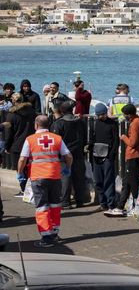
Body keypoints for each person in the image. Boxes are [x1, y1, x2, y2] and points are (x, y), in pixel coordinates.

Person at [17, 115, 73, 247]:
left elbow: (22, 159)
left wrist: (19, 173)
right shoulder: (57, 138)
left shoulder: (30, 139)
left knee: (42, 207)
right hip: (55, 176)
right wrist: (68, 168)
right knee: (55, 205)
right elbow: (68, 156)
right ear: (49, 125)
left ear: (36, 125)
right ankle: (54, 233)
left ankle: (46, 237)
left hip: (38, 177)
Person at [104, 104, 139, 217]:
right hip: (137, 155)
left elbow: (132, 143)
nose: (124, 117)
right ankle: (120, 206)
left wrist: (123, 137)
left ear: (129, 115)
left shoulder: (135, 124)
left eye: (125, 115)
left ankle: (136, 206)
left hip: (133, 155)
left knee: (132, 182)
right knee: (127, 182)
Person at [50, 100, 88, 208]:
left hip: (64, 155)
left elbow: (55, 141)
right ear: (72, 110)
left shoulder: (59, 123)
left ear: (62, 111)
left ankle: (65, 201)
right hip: (78, 153)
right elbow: (85, 138)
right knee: (79, 178)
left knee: (65, 178)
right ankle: (80, 201)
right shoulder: (80, 122)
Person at [3, 92, 37, 196]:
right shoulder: (32, 112)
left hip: (17, 145)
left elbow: (8, 133)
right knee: (30, 167)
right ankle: (32, 188)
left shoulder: (12, 115)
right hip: (32, 143)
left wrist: (7, 146)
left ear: (13, 101)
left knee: (20, 168)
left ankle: (24, 190)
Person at [87, 102, 118, 210]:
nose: (102, 116)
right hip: (96, 155)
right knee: (98, 180)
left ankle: (111, 203)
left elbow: (115, 141)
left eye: (103, 114)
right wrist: (89, 147)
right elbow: (91, 138)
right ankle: (102, 203)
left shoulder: (113, 124)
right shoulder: (94, 123)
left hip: (108, 156)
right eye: (100, 115)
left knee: (109, 180)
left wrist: (112, 154)